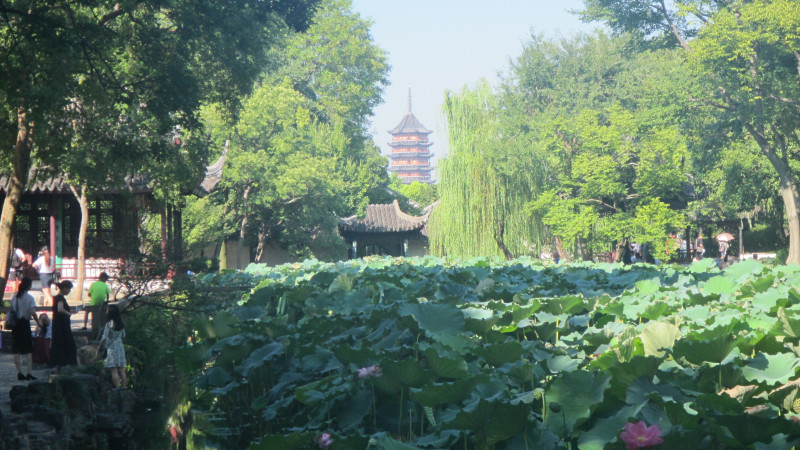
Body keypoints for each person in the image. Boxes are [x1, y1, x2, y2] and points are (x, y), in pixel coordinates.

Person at [11, 277, 38, 380]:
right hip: (24, 323)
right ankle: (29, 372)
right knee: (28, 349)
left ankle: (19, 373)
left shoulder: (15, 297)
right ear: (29, 286)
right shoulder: (30, 298)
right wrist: (38, 322)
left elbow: (12, 309)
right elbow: (32, 312)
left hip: (15, 324)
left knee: (16, 349)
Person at [50, 280, 78, 373]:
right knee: (67, 345)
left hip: (59, 325)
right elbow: (60, 309)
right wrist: (68, 313)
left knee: (60, 345)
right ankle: (64, 365)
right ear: (64, 288)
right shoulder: (60, 298)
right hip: (61, 326)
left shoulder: (58, 298)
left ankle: (61, 367)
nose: (69, 291)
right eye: (69, 289)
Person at [100, 305, 127, 389]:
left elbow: (104, 337)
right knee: (122, 369)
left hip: (111, 347)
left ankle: (116, 388)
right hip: (120, 346)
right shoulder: (120, 323)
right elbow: (123, 335)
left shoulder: (109, 323)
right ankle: (124, 387)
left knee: (114, 370)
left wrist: (100, 346)